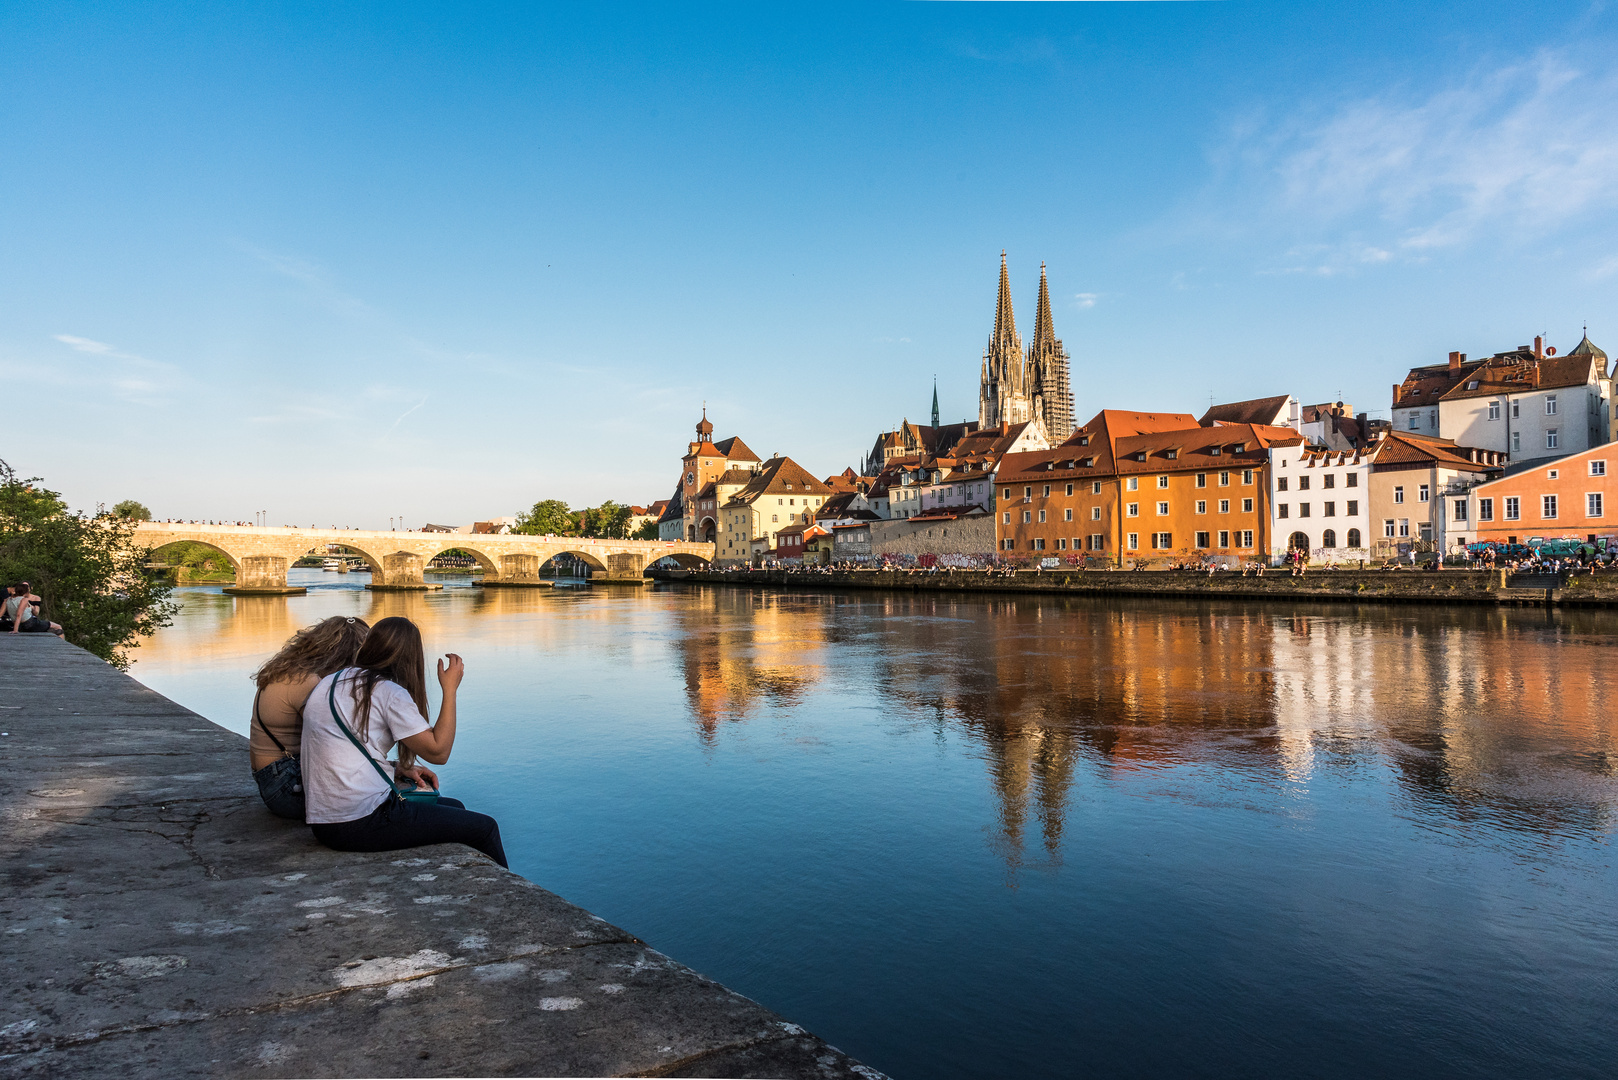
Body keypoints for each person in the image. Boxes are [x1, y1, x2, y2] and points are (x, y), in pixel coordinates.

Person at [300, 616, 506, 867]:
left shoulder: (333, 681)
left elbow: (348, 742)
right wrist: (450, 690)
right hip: (360, 821)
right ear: (411, 658)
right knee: (485, 828)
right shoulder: (388, 692)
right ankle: (515, 903)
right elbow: (439, 752)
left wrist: (396, 766)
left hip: (325, 821)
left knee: (456, 807)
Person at [249, 616, 371, 820]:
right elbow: (338, 744)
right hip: (288, 790)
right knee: (388, 793)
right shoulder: (310, 683)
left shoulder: (288, 671)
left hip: (273, 782)